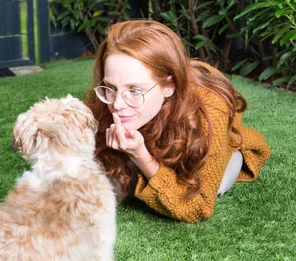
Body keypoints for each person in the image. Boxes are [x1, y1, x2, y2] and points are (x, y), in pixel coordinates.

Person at [85, 20, 271, 223]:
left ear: (169, 86)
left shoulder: (210, 109)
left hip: (205, 146)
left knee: (212, 184)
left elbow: (197, 208)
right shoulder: (113, 93)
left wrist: (140, 156)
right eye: (110, 87)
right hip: (156, 134)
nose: (118, 104)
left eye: (135, 90)